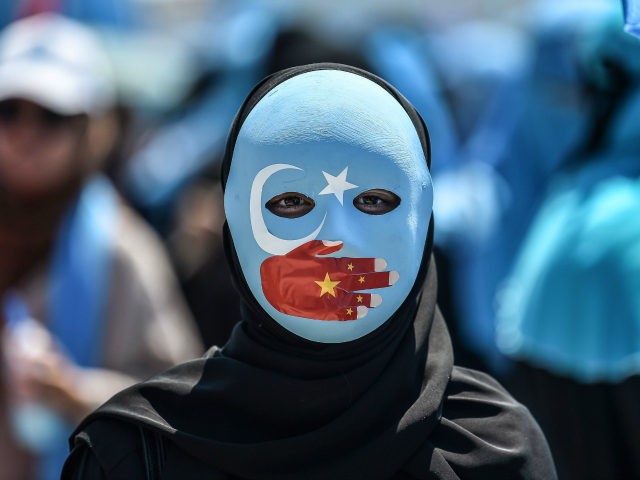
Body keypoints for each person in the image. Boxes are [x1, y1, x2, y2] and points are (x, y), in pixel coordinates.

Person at [62, 63, 556, 479]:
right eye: (291, 202)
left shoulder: (494, 450)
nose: (333, 237)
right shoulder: (132, 454)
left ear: (424, 217)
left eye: (375, 200)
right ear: (233, 220)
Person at [0, 13, 202, 480]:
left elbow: (181, 407)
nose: (27, 134)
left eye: (51, 117)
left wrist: (72, 392)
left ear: (91, 131)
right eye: (9, 110)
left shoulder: (123, 251)